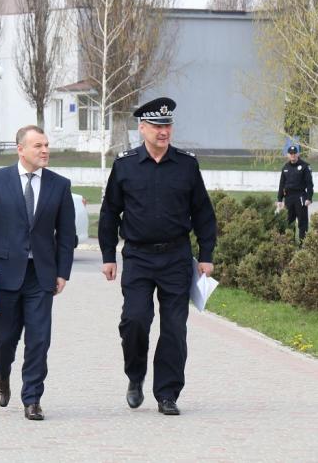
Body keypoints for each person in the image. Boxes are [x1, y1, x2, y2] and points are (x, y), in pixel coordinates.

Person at [98, 97, 217, 416]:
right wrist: (108, 255)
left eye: (168, 125)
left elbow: (203, 213)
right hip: (138, 257)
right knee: (135, 320)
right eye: (157, 126)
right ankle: (135, 375)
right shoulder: (125, 165)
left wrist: (206, 254)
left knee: (175, 328)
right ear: (142, 128)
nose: (164, 131)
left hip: (176, 257)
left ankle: (167, 394)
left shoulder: (187, 165)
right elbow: (109, 212)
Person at [0, 125, 77, 421]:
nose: (45, 150)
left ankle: (32, 398)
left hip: (41, 276)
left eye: (46, 145)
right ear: (21, 149)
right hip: (3, 274)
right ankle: (2, 372)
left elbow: (66, 234)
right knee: (4, 339)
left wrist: (63, 272)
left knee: (39, 340)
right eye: (38, 146)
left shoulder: (59, 185)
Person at [277, 145, 313, 242]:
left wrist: (309, 198)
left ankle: (303, 244)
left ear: (298, 154)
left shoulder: (305, 166)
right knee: (289, 221)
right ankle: (290, 243)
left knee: (302, 222)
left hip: (300, 197)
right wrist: (279, 199)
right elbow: (281, 184)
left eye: (294, 153)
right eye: (291, 153)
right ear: (288, 155)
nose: (293, 155)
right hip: (288, 197)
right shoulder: (285, 167)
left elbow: (309, 184)